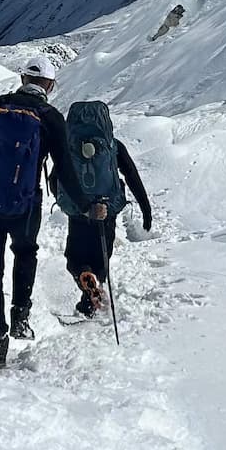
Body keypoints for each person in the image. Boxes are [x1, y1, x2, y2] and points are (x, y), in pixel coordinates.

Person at [0, 56, 100, 367]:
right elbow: (64, 169)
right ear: (48, 85)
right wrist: (86, 205)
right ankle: (20, 318)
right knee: (25, 253)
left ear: (23, 78)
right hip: (26, 205)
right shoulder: (50, 116)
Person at [59, 100, 154, 320]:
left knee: (74, 257)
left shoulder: (69, 146)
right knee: (101, 257)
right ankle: (90, 297)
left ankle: (85, 279)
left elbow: (57, 178)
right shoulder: (113, 145)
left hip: (79, 212)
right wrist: (146, 209)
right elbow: (131, 176)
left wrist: (71, 202)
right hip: (107, 210)